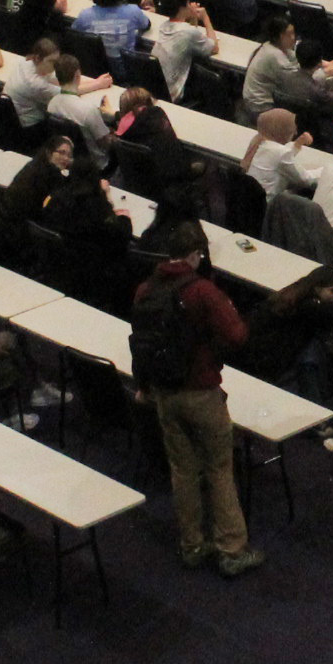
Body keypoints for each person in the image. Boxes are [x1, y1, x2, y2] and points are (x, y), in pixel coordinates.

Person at [132, 237, 260, 576]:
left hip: (164, 392)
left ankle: (192, 544)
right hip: (201, 390)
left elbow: (140, 342)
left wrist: (145, 387)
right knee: (219, 469)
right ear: (195, 255)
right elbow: (236, 336)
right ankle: (231, 549)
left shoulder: (146, 289)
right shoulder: (202, 291)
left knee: (183, 470)